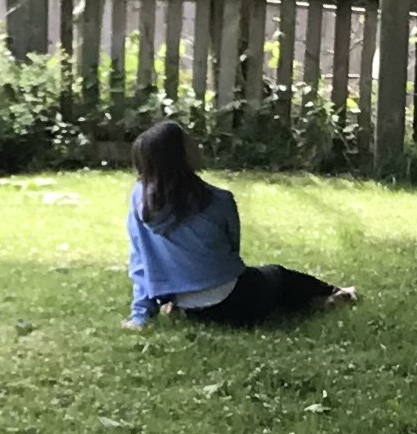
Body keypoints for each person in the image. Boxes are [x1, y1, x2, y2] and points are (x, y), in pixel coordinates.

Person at [124, 119, 355, 329]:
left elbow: (141, 263)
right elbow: (232, 251)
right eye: (189, 141)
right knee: (277, 276)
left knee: (266, 285)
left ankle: (185, 308)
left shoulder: (140, 203)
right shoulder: (219, 200)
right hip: (238, 299)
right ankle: (334, 293)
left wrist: (141, 316)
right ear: (181, 155)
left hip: (190, 307)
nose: (197, 145)